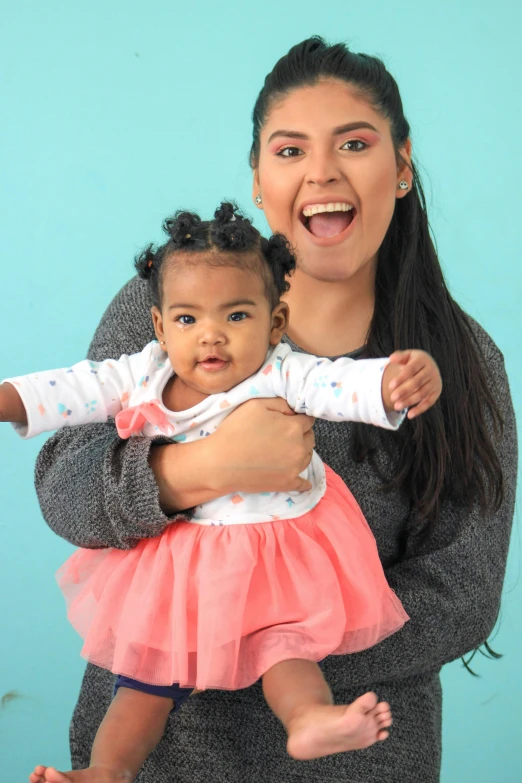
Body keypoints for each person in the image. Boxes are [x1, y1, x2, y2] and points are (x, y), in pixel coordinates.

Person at [31, 37, 517, 783]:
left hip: (356, 757)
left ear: (402, 167)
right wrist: (198, 468)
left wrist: (270, 643)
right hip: (156, 759)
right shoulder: (168, 306)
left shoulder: (457, 361)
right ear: (259, 180)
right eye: (289, 151)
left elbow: (462, 592)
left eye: (354, 143)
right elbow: (66, 490)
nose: (322, 171)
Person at [2, 203, 441, 781]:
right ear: (158, 326)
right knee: (141, 685)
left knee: (287, 648)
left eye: (236, 315)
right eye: (187, 320)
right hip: (177, 569)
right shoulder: (142, 373)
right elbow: (68, 389)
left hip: (273, 559)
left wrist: (393, 381)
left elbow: (341, 383)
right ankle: (106, 771)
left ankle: (308, 719)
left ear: (275, 322)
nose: (211, 335)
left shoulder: (283, 370)